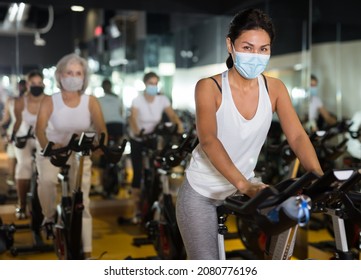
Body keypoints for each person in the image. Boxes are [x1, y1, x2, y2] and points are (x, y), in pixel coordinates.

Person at [175, 8, 324, 260]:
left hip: (244, 189)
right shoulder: (209, 87)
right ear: (230, 45)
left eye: (263, 49)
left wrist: (319, 177)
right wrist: (245, 184)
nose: (256, 55)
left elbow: (297, 136)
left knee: (276, 253)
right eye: (247, 47)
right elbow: (209, 140)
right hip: (202, 191)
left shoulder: (274, 88)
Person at [35, 53, 107, 259]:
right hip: (53, 150)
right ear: (60, 75)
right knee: (47, 181)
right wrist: (47, 145)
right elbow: (40, 129)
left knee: (82, 200)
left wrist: (101, 143)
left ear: (84, 78)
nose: (74, 77)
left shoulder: (90, 101)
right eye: (69, 72)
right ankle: (48, 217)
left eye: (78, 73)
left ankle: (87, 252)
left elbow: (102, 128)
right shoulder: (50, 100)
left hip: (79, 153)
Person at [126, 71, 183, 224]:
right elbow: (132, 118)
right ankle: (136, 210)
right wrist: (137, 131)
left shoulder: (162, 99)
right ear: (145, 84)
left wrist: (180, 128)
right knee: (137, 173)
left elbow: (172, 116)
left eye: (156, 83)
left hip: (153, 137)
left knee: (158, 167)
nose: (153, 86)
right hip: (138, 138)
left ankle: (154, 198)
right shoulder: (138, 100)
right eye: (151, 83)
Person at [12, 73, 45, 220]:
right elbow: (18, 121)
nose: (37, 85)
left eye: (40, 82)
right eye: (34, 82)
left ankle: (45, 205)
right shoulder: (20, 101)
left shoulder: (47, 100)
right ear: (28, 85)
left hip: (40, 137)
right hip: (24, 137)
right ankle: (22, 203)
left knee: (45, 167)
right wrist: (13, 135)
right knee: (24, 166)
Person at [0, 79, 26, 188]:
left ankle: (13, 177)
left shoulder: (11, 100)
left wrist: (1, 126)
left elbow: (6, 118)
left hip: (16, 132)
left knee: (13, 155)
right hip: (23, 131)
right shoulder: (32, 100)